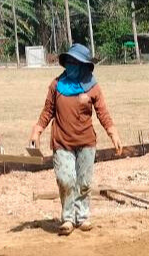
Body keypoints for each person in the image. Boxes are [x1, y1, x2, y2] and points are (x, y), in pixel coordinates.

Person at [29, 44, 123, 235]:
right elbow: (47, 111)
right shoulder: (56, 85)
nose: (71, 65)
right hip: (62, 141)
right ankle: (68, 218)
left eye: (76, 62)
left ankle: (82, 216)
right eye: (69, 62)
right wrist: (37, 130)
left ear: (84, 65)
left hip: (86, 142)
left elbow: (102, 113)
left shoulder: (93, 87)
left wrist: (112, 132)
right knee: (66, 179)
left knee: (84, 182)